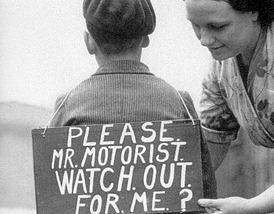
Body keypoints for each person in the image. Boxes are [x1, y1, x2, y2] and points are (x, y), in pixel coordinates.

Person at [48, 0, 216, 204]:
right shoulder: (178, 102)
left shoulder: (68, 106)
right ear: (145, 40)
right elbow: (205, 193)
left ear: (89, 42)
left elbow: (52, 194)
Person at [183, 0, 274, 213]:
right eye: (195, 25)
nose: (204, 39)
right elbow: (212, 143)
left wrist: (254, 206)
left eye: (217, 27)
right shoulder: (225, 56)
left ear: (254, 10)